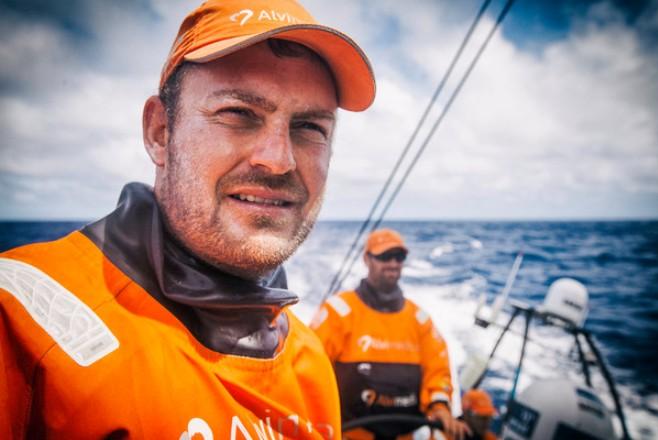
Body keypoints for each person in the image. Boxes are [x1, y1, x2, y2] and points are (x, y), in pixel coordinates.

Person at [0, 0, 375, 438]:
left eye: (310, 127)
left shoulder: (310, 363)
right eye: (238, 114)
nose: (279, 160)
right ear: (160, 133)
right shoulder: (19, 320)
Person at [310, 229, 471, 440]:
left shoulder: (419, 320)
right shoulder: (338, 313)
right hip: (350, 433)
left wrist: (439, 406)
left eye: (399, 257)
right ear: (367, 259)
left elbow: (438, 371)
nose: (393, 263)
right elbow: (310, 371)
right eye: (385, 257)